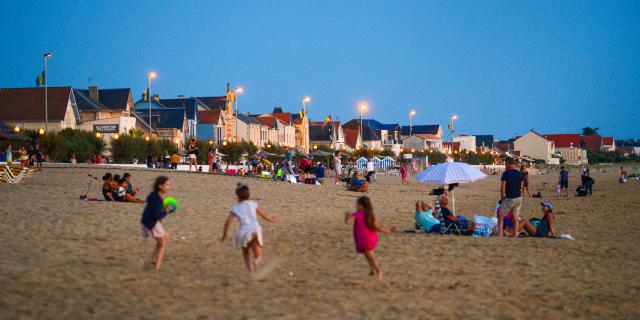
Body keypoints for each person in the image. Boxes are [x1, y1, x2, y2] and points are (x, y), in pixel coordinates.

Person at [220, 183, 277, 273]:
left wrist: (224, 234)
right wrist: (271, 219)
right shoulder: (253, 204)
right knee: (258, 253)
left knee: (246, 253)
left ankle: (251, 272)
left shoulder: (235, 208)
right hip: (255, 229)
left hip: (243, 232)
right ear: (249, 195)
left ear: (237, 196)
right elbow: (263, 215)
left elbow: (228, 221)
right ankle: (256, 261)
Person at [344, 196, 396, 279]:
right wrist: (388, 230)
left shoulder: (357, 215)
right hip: (371, 237)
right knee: (367, 254)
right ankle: (372, 269)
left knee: (370, 256)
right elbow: (377, 228)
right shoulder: (370, 215)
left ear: (362, 206)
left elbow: (348, 222)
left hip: (364, 239)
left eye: (357, 205)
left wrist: (347, 216)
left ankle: (378, 271)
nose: (356, 206)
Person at [140, 176, 173, 270]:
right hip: (151, 222)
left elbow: (152, 201)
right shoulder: (157, 199)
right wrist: (166, 210)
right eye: (167, 185)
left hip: (147, 220)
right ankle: (157, 267)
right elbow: (158, 215)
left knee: (165, 236)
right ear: (160, 186)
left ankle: (153, 259)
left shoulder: (154, 195)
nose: (169, 187)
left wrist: (163, 204)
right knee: (162, 243)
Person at [498, 158, 523, 237]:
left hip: (510, 197)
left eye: (506, 164)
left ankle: (500, 233)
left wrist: (502, 198)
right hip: (519, 197)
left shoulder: (506, 173)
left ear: (509, 164)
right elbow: (521, 186)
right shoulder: (519, 173)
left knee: (501, 216)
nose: (505, 165)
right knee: (515, 216)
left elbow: (503, 186)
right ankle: (515, 234)